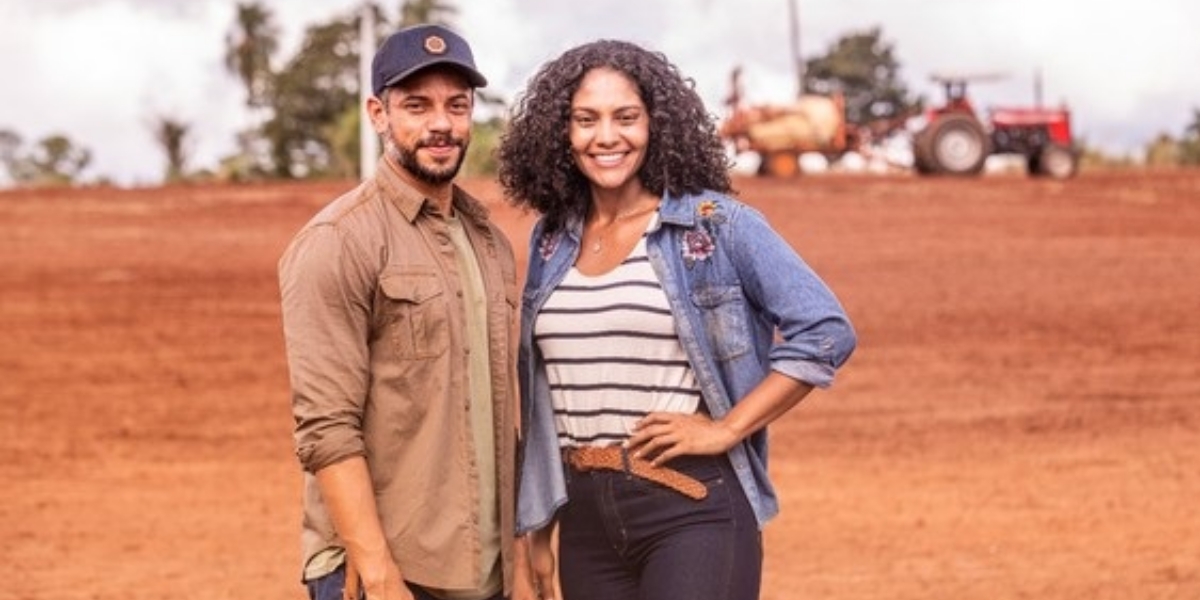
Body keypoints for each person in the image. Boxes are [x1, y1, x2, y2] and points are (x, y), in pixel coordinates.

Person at [495, 40, 857, 600]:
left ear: (656, 125)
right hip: (585, 518)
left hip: (692, 507)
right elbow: (548, 394)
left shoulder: (716, 224)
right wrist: (538, 522)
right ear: (561, 133)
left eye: (626, 118)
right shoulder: (551, 239)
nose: (606, 137)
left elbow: (824, 328)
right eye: (585, 120)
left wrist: (728, 427)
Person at [279, 24, 533, 600]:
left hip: (485, 570)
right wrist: (380, 576)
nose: (440, 124)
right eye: (416, 106)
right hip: (386, 571)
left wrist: (516, 554)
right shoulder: (337, 241)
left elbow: (499, 408)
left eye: (456, 106)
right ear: (378, 112)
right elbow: (326, 429)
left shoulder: (490, 242)